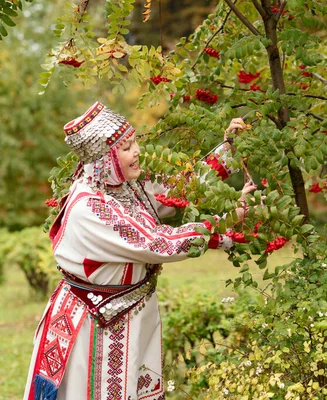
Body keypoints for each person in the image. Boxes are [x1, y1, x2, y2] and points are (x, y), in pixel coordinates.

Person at [23, 102, 256, 400]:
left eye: (134, 143)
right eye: (126, 147)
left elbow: (178, 192)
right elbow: (158, 243)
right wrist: (228, 220)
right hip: (95, 323)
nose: (137, 152)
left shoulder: (123, 186)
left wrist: (228, 148)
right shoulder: (90, 208)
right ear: (105, 158)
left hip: (129, 315)